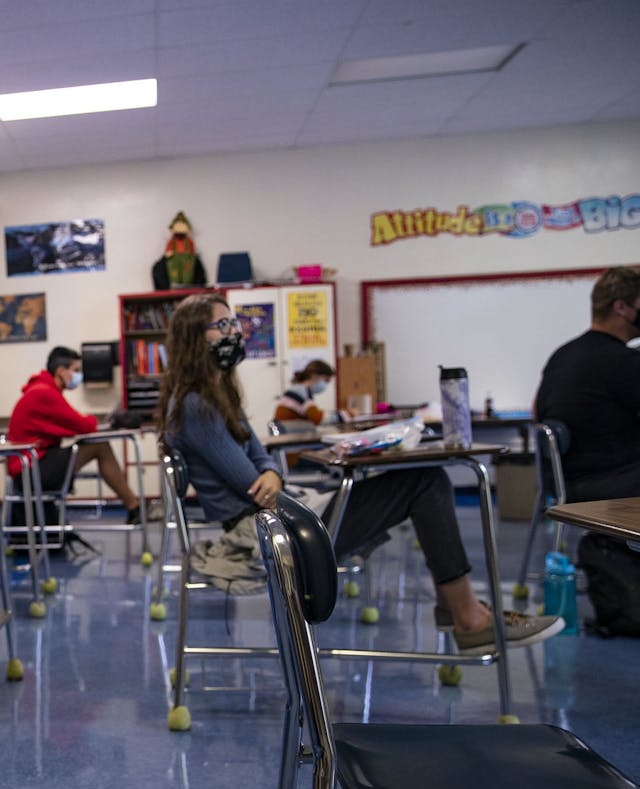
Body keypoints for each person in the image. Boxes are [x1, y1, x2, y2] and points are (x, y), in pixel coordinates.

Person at [155, 293, 561, 655]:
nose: (233, 332)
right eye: (220, 325)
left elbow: (262, 460)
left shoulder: (217, 394)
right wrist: (268, 475)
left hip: (280, 516)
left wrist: (271, 474)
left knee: (428, 481)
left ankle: (460, 609)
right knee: (426, 481)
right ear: (194, 339)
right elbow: (251, 481)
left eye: (233, 322)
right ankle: (467, 616)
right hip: (269, 533)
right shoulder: (195, 405)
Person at [7, 345, 150, 524]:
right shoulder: (44, 393)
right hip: (30, 470)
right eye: (76, 370)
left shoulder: (41, 389)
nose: (79, 375)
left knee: (98, 445)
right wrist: (98, 421)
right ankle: (134, 506)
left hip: (32, 465)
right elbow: (82, 425)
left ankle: (134, 506)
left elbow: (71, 425)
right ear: (61, 371)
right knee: (100, 446)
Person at [533, 266, 640, 502]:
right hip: (611, 483)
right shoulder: (622, 361)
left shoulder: (562, 354)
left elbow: (536, 412)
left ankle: (605, 541)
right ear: (621, 307)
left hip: (562, 483)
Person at [275, 359, 345, 427]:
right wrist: (345, 415)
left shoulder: (300, 389)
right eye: (326, 380)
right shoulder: (300, 392)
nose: (326, 384)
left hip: (288, 431)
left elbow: (313, 414)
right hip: (288, 434)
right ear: (314, 375)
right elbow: (317, 418)